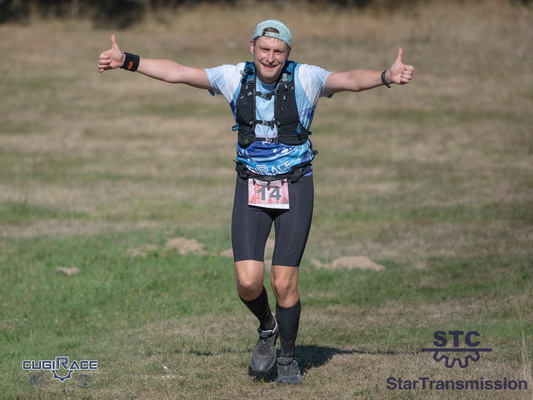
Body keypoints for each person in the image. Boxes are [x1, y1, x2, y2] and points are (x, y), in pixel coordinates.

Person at [98, 19, 414, 385]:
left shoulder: (305, 77)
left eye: (278, 51)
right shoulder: (234, 76)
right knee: (248, 282)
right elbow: (179, 72)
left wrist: (386, 76)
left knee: (283, 282)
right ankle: (267, 327)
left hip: (295, 185)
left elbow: (348, 80)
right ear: (252, 47)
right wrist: (128, 61)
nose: (270, 57)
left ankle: (288, 360)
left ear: (288, 53)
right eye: (264, 49)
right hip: (250, 184)